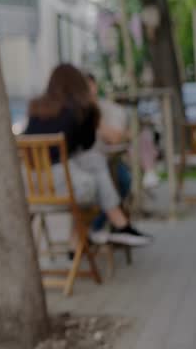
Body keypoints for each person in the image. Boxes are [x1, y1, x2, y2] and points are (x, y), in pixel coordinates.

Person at [24, 64, 151, 247]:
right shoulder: (80, 109)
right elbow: (88, 144)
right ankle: (108, 229)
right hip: (64, 188)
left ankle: (88, 237)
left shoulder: (36, 108)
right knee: (98, 168)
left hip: (34, 188)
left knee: (93, 163)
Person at [86, 73, 132, 232]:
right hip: (81, 168)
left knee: (121, 181)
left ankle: (93, 229)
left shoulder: (108, 109)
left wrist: (94, 117)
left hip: (108, 162)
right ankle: (93, 231)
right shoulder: (71, 112)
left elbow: (115, 138)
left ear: (95, 87)